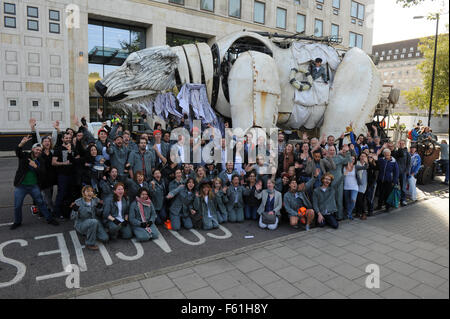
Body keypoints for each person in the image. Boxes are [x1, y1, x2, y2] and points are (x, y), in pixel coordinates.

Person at [11, 136, 59, 229]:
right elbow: (18, 151)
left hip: (34, 186)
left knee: (41, 202)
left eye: (40, 150)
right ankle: (17, 222)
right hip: (21, 186)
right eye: (37, 149)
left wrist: (35, 166)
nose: (38, 152)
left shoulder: (40, 160)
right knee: (17, 205)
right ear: (32, 149)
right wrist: (22, 143)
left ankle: (49, 219)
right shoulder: (25, 156)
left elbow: (43, 172)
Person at [71, 185, 108, 250]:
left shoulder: (95, 200)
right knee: (93, 222)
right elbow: (72, 217)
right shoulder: (78, 202)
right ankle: (89, 243)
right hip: (82, 223)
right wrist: (75, 210)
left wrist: (100, 206)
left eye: (91, 191)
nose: (90, 193)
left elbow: (98, 213)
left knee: (104, 238)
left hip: (94, 221)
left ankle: (90, 232)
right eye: (87, 191)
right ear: (83, 192)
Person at [52, 131, 77, 219]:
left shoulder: (73, 147)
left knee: (70, 194)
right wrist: (64, 163)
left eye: (69, 138)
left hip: (72, 175)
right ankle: (56, 213)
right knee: (61, 194)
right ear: (62, 139)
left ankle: (67, 212)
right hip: (62, 175)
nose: (68, 139)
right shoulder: (58, 148)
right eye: (66, 138)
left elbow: (76, 158)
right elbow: (53, 162)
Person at [343, 155, 367, 220]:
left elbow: (365, 167)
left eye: (353, 159)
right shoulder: (343, 167)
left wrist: (366, 161)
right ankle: (349, 214)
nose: (352, 160)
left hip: (354, 187)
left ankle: (348, 213)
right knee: (347, 202)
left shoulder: (355, 167)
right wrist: (345, 173)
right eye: (350, 158)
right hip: (346, 187)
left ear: (354, 161)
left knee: (353, 200)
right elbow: (341, 177)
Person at [392, 140, 411, 206]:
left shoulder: (407, 153)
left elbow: (409, 163)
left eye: (402, 143)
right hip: (396, 172)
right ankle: (395, 200)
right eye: (400, 143)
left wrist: (407, 171)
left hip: (403, 172)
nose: (401, 144)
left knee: (403, 187)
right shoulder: (396, 152)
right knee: (395, 186)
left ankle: (403, 200)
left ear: (404, 144)